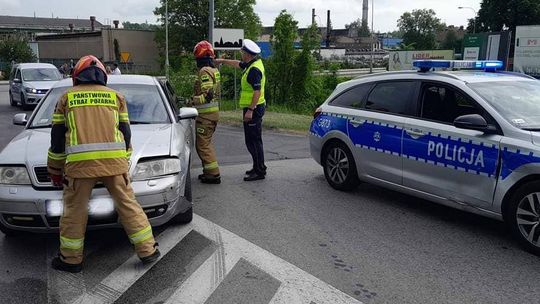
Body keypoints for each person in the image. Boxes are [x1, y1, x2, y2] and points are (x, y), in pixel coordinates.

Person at [47, 55, 159, 273]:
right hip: (114, 165)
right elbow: (125, 132)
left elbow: (57, 138)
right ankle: (148, 250)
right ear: (103, 77)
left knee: (74, 212)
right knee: (129, 205)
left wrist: (54, 169)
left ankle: (71, 260)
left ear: (76, 77)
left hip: (80, 168)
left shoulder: (66, 98)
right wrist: (124, 160)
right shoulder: (116, 97)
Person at [215, 39, 267, 181]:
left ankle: (259, 171)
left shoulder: (254, 70)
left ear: (248, 54)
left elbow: (257, 91)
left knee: (253, 140)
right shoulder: (252, 64)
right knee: (253, 139)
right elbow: (238, 64)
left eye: (242, 52)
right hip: (254, 107)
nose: (241, 54)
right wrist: (222, 61)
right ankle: (258, 166)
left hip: (254, 109)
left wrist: (250, 110)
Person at [189, 41, 222, 184]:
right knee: (206, 143)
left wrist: (191, 101)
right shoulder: (214, 70)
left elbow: (207, 96)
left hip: (206, 117)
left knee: (203, 145)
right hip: (213, 115)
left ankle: (213, 174)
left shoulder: (204, 71)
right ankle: (209, 171)